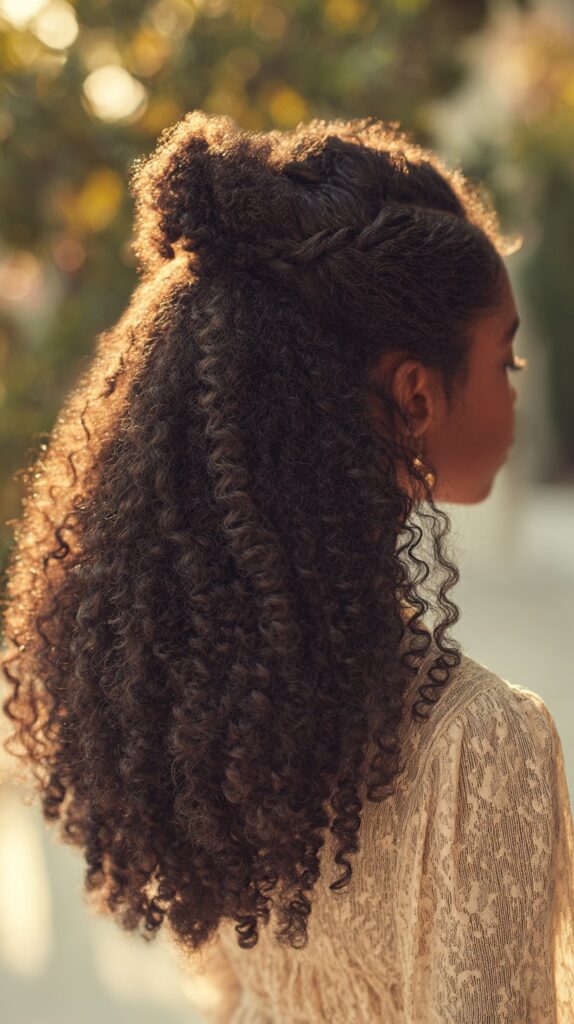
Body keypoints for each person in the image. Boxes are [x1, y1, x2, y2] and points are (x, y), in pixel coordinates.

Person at [1, 110, 572, 1023]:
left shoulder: (221, 695)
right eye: (506, 359)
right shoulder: (479, 745)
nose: (516, 385)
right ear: (417, 395)